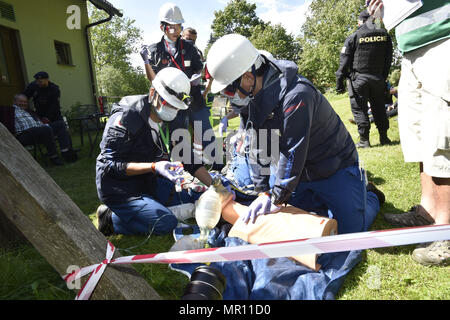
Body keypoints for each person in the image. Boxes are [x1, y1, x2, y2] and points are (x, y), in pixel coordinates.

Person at [207, 34, 385, 234]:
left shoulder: (297, 94)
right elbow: (258, 148)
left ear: (248, 77)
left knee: (350, 232)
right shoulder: (251, 100)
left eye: (230, 92)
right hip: (300, 175)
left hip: (334, 167)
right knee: (298, 227)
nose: (229, 99)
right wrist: (263, 192)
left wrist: (278, 196)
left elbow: (293, 151)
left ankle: (370, 195)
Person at [367, 0, 449, 266]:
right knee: (422, 137)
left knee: (442, 137)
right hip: (411, 46)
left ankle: (445, 230)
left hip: (441, 36)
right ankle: (427, 213)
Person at [95, 67, 213, 236]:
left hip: (148, 180)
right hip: (119, 187)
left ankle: (148, 204)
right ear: (153, 93)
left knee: (192, 198)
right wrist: (154, 166)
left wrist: (215, 186)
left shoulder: (174, 118)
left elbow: (186, 156)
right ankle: (110, 218)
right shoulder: (127, 116)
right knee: (165, 223)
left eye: (177, 106)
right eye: (168, 103)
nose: (173, 110)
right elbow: (109, 165)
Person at [140, 3, 216, 164]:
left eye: (179, 27)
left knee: (206, 133)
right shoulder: (154, 50)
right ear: (163, 27)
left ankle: (218, 168)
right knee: (179, 137)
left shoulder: (189, 47)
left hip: (193, 98)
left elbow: (199, 69)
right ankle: (184, 173)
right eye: (172, 27)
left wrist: (197, 77)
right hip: (172, 103)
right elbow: (153, 79)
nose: (177, 31)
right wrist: (146, 61)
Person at [336, 10, 393, 148]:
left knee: (360, 110)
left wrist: (340, 82)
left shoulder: (354, 36)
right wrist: (382, 77)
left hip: (359, 80)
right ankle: (384, 138)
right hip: (378, 78)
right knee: (379, 108)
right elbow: (388, 60)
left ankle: (364, 140)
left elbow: (344, 62)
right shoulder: (385, 35)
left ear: (360, 21)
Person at [23, 71, 78, 162]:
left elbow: (54, 105)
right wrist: (27, 110)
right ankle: (52, 152)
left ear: (47, 80)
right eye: (37, 81)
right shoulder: (33, 86)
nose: (38, 83)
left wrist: (47, 118)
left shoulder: (54, 89)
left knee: (62, 127)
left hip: (54, 114)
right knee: (47, 132)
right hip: (39, 114)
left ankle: (67, 150)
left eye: (41, 81)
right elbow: (24, 96)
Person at [12, 94, 63, 166]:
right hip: (24, 135)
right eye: (20, 101)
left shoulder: (29, 111)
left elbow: (38, 123)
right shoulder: (11, 111)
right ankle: (54, 157)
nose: (23, 103)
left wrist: (44, 124)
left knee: (60, 124)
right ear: (14, 101)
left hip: (38, 131)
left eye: (25, 102)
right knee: (45, 129)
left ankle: (66, 151)